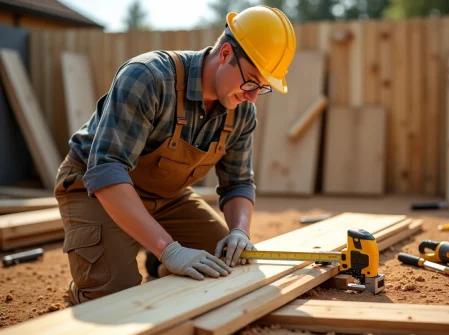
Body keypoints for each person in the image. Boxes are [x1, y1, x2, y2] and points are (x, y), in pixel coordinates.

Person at [54, 5, 297, 305]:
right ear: (225, 55)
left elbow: (238, 183)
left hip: (167, 197)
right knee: (115, 298)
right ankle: (92, 283)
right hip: (95, 191)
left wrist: (239, 231)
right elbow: (106, 170)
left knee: (227, 265)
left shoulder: (242, 111)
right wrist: (170, 248)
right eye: (251, 81)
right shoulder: (148, 78)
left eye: (262, 87)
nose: (251, 96)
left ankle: (158, 260)